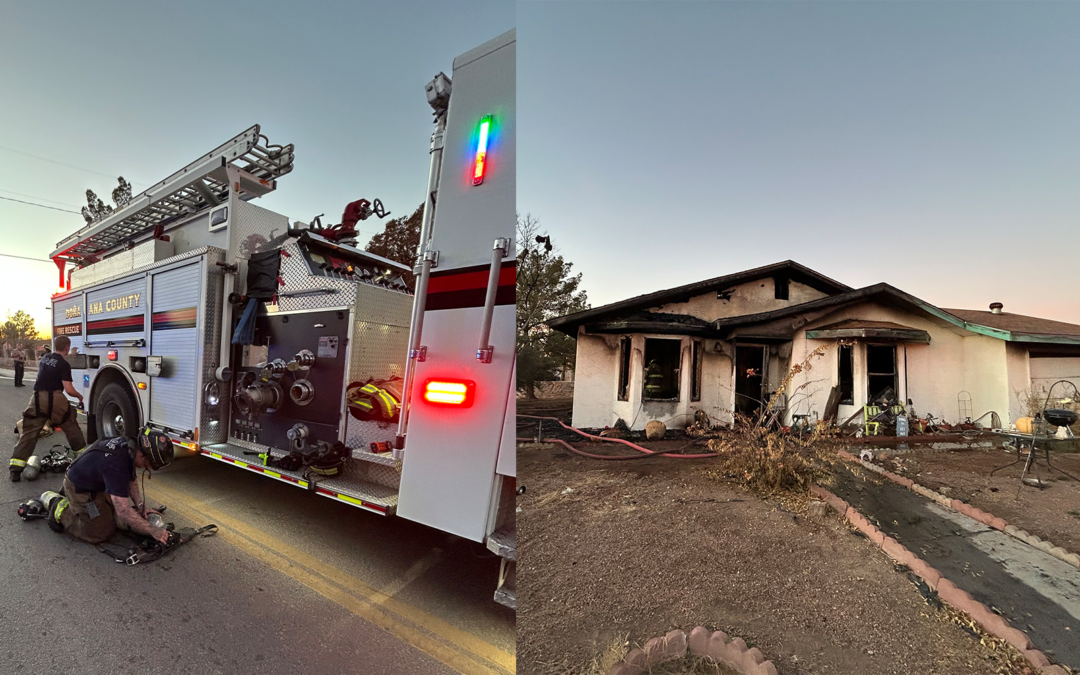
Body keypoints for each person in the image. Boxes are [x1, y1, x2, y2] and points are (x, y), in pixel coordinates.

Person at [43, 427, 173, 545]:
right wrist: (151, 530)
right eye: (148, 464)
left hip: (98, 482)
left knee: (115, 514)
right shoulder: (117, 465)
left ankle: (108, 512)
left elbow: (131, 478)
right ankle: (59, 506)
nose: (147, 467)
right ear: (142, 455)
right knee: (101, 532)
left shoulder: (130, 446)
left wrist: (140, 505)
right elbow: (122, 510)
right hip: (80, 489)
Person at [9, 336, 85, 481]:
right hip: (56, 398)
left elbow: (54, 364)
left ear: (54, 346)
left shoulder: (45, 358)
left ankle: (15, 469)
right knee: (70, 425)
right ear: (67, 347)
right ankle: (82, 459)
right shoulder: (64, 364)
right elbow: (69, 390)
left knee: (29, 431)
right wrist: (79, 396)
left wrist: (71, 355)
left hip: (37, 398)